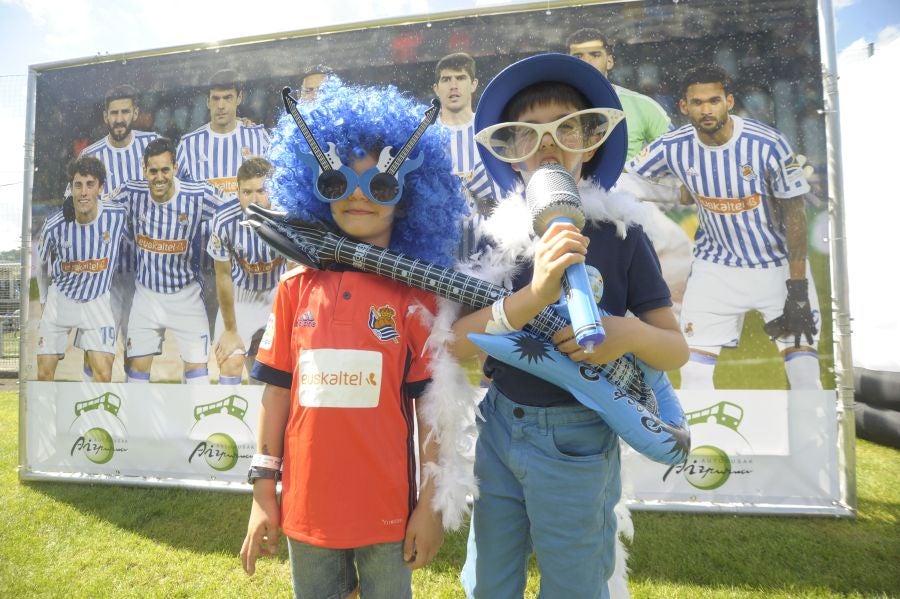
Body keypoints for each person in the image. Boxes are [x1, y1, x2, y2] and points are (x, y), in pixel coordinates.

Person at [454, 53, 688, 598]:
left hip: (580, 439)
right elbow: (451, 344)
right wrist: (535, 294)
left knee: (576, 581)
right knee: (489, 580)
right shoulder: (487, 237)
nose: (549, 146)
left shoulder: (624, 237)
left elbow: (674, 349)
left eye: (567, 130)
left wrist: (626, 335)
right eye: (527, 135)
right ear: (509, 155)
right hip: (498, 428)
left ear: (594, 141)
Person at [239, 80, 475, 598]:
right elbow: (276, 394)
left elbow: (431, 414)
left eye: (381, 185)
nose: (358, 196)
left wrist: (430, 505)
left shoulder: (417, 298)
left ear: (410, 194)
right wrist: (263, 492)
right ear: (314, 186)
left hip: (388, 516)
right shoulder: (294, 289)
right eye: (338, 181)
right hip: (307, 512)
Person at [627, 64, 821, 390]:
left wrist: (798, 289)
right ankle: (703, 442)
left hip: (777, 267)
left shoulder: (768, 144)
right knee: (693, 371)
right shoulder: (673, 145)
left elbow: (795, 217)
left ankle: (810, 442)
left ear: (729, 102)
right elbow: (626, 179)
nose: (707, 109)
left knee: (804, 373)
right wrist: (675, 193)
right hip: (715, 267)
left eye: (714, 100)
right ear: (684, 107)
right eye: (698, 102)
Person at [568, 28, 693, 313]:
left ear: (610, 60)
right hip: (576, 204)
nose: (587, 61)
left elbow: (676, 155)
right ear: (569, 59)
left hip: (633, 205)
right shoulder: (558, 106)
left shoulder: (642, 106)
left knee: (625, 186)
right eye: (579, 55)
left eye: (595, 54)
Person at [112, 137, 225, 384]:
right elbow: (102, 207)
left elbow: (231, 209)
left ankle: (191, 422)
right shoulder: (131, 193)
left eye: (165, 169)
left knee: (198, 379)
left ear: (175, 168)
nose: (159, 177)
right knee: (136, 375)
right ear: (144, 170)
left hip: (187, 295)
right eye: (153, 171)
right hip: (147, 296)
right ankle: (139, 423)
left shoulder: (198, 195)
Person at [176, 69, 271, 333]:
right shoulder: (189, 144)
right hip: (206, 260)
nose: (221, 105)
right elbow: (180, 197)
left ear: (239, 98)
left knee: (253, 340)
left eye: (227, 97)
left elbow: (272, 188)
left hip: (253, 260)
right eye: (215, 98)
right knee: (204, 340)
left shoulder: (257, 136)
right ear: (207, 101)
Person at [77, 84, 160, 380]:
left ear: (135, 112)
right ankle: (90, 419)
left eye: (126, 111)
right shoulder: (91, 155)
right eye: (114, 113)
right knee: (99, 352)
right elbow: (72, 205)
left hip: (144, 273)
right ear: (105, 116)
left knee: (138, 355)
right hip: (104, 276)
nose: (120, 118)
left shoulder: (154, 146)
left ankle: (132, 420)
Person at [36, 156, 129, 382]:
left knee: (103, 373)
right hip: (61, 300)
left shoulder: (117, 216)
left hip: (97, 301)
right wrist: (44, 300)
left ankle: (94, 417)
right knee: (44, 374)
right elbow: (40, 262)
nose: (84, 191)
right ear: (71, 188)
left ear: (100, 188)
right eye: (78, 185)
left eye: (90, 184)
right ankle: (49, 417)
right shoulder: (55, 224)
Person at [207, 157, 285, 384]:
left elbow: (294, 271)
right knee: (230, 362)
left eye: (261, 191)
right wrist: (231, 331)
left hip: (277, 292)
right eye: (247, 192)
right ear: (237, 191)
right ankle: (228, 419)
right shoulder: (223, 219)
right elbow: (222, 275)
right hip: (240, 295)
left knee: (271, 373)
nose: (254, 200)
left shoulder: (288, 215)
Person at [432, 52, 497, 260]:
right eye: (446, 79)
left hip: (491, 251)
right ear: (436, 88)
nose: (453, 86)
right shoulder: (423, 137)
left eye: (460, 78)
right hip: (438, 252)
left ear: (474, 84)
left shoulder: (491, 132)